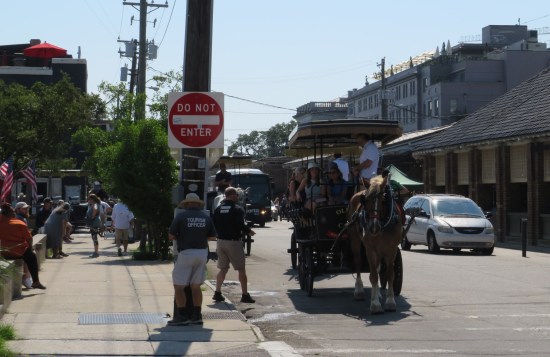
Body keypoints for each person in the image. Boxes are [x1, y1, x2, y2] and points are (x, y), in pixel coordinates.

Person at [167, 193, 217, 326]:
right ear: (198, 204)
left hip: (186, 253)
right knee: (196, 287)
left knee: (179, 286)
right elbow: (212, 237)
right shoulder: (205, 217)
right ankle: (197, 316)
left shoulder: (181, 216)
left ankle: (182, 316)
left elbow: (171, 236)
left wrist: (183, 237)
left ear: (187, 204)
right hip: (202, 253)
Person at [212, 186, 256, 304]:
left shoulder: (218, 209)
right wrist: (249, 231)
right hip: (233, 242)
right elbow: (239, 224)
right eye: (236, 195)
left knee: (223, 269)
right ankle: (245, 295)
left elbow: (214, 224)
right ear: (232, 195)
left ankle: (217, 292)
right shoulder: (237, 209)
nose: (237, 197)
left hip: (220, 242)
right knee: (241, 269)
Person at [0, 203, 46, 289]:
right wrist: (30, 247)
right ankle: (35, 281)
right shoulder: (19, 223)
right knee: (32, 256)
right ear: (12, 213)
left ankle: (27, 279)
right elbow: (29, 239)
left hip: (2, 252)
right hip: (17, 252)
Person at [86, 194, 102, 258]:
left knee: (94, 237)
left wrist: (92, 216)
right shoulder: (94, 204)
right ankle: (95, 252)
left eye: (89, 199)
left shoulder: (94, 204)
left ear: (92, 199)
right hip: (94, 222)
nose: (88, 200)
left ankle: (96, 252)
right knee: (94, 237)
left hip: (94, 223)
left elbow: (95, 209)